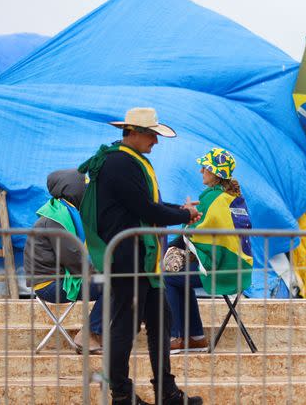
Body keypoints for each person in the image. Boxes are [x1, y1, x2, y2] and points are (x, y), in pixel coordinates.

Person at [79, 107, 203, 405]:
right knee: (124, 327)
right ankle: (121, 394)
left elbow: (148, 204)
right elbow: (146, 209)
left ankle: (166, 390)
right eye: (151, 135)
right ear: (132, 132)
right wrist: (183, 213)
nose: (156, 142)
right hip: (128, 259)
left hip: (142, 260)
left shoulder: (128, 162)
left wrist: (181, 211)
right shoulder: (120, 163)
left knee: (161, 320)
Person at [164, 148, 253, 352]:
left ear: (215, 172)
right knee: (181, 279)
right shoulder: (233, 197)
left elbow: (192, 232)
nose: (201, 170)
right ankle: (196, 337)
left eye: (205, 167)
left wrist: (171, 248)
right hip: (240, 268)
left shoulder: (212, 198)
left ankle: (176, 337)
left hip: (224, 271)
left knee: (169, 278)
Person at [23, 169, 103, 353]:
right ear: (73, 190)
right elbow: (76, 262)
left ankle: (98, 333)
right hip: (51, 284)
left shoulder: (66, 214)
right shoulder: (56, 220)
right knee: (116, 285)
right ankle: (90, 334)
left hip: (62, 278)